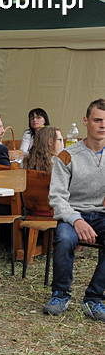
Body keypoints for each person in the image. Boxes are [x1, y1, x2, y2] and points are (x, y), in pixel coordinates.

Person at [43, 98, 105, 321]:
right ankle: (60, 295)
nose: (103, 125)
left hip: (101, 214)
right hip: (72, 214)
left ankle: (94, 298)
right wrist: (77, 220)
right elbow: (57, 197)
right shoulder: (67, 156)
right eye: (97, 120)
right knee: (65, 239)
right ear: (85, 121)